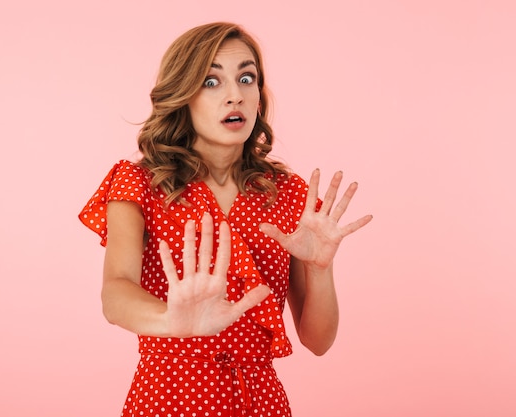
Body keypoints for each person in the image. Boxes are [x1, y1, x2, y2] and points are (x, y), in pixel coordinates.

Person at [79, 22, 372, 417]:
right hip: (167, 396)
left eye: (246, 78)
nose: (235, 95)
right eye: (211, 82)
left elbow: (318, 341)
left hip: (260, 400)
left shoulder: (287, 193)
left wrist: (321, 268)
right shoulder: (139, 184)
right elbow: (115, 293)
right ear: (183, 95)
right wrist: (173, 320)